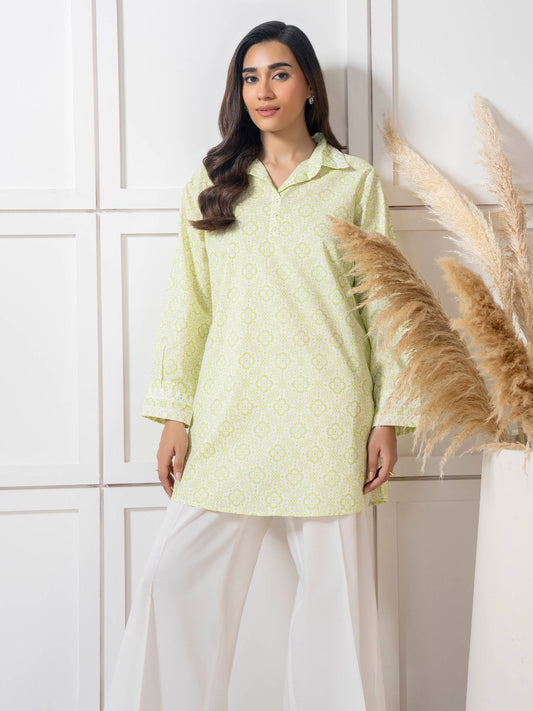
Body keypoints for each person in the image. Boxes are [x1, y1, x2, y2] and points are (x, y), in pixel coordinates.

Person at [103, 19, 418, 711]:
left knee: (335, 604)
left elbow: (386, 308)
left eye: (279, 73)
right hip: (230, 409)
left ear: (308, 86)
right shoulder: (214, 182)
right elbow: (189, 305)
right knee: (170, 580)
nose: (263, 90)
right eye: (250, 77)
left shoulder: (353, 183)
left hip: (328, 413)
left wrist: (389, 417)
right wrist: (175, 414)